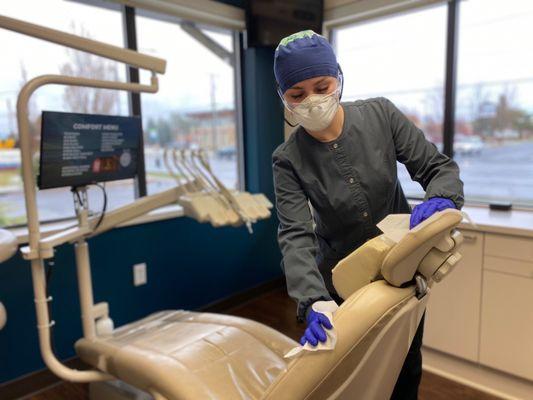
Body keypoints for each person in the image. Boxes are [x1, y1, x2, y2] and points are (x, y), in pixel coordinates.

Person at [271, 30, 464, 400]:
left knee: (404, 369)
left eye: (321, 85)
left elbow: (438, 169)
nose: (312, 101)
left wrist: (442, 198)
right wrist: (312, 299)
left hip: (403, 273)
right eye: (297, 94)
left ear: (338, 79)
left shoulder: (381, 116)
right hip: (342, 286)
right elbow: (295, 233)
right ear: (284, 97)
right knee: (352, 378)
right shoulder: (288, 158)